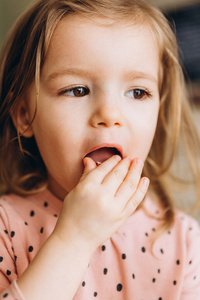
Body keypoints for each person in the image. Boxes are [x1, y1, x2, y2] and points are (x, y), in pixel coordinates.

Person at [0, 0, 200, 299]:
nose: (110, 114)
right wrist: (75, 238)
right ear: (25, 115)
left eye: (137, 92)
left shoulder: (184, 242)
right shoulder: (5, 226)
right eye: (77, 90)